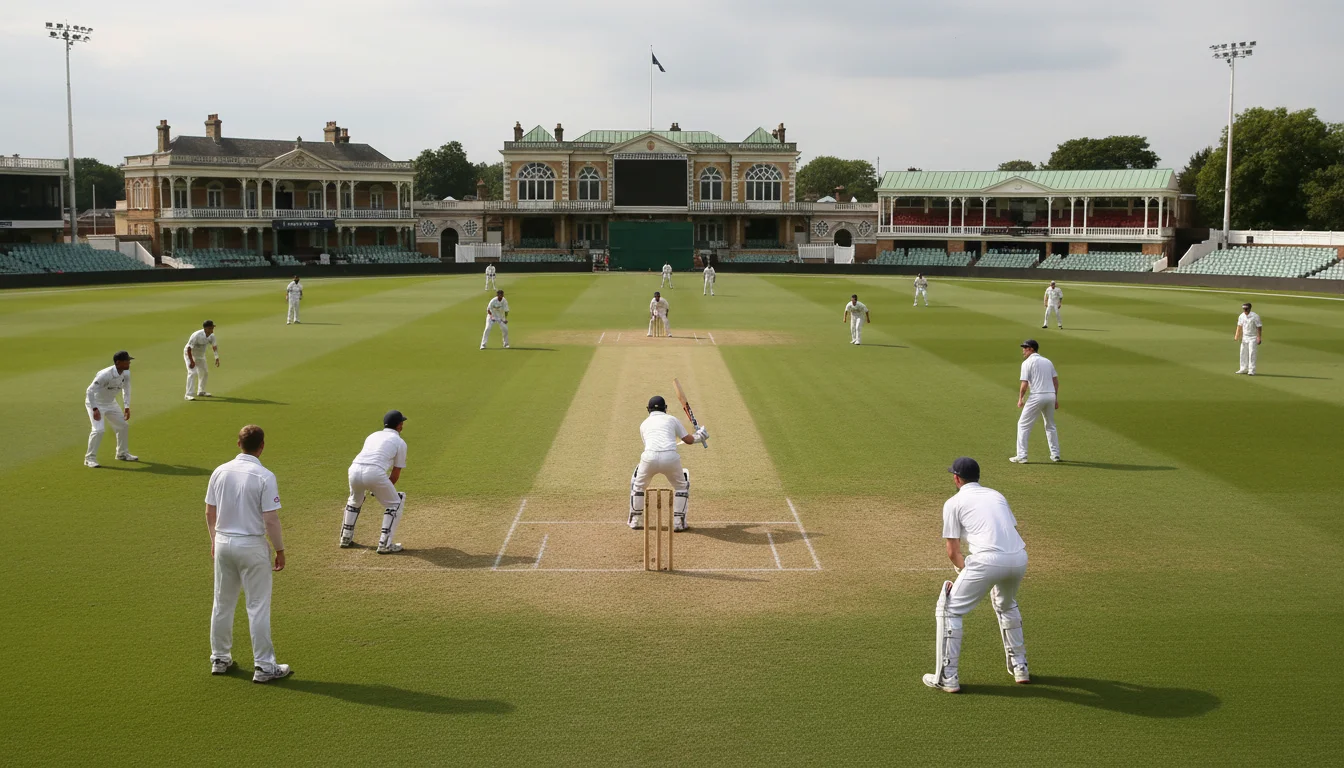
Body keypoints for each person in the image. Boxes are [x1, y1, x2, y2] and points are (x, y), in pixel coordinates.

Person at [923, 457, 1030, 693]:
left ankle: (947, 677)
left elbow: (953, 552)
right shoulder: (996, 495)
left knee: (949, 609)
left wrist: (964, 570)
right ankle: (1020, 666)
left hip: (986, 560)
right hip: (1018, 558)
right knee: (1006, 604)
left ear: (956, 478)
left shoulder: (953, 503)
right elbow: (1008, 530)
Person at [206, 424, 292, 683]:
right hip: (252, 546)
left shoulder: (220, 471)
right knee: (257, 606)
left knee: (222, 603)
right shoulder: (265, 476)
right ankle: (264, 666)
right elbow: (271, 520)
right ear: (262, 446)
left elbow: (210, 512)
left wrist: (214, 540)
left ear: (238, 444)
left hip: (223, 542)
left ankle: (220, 658)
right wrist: (280, 550)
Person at [628, 395, 708, 532]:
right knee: (681, 486)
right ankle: (678, 523)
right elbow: (688, 440)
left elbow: (649, 444)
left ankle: (636, 521)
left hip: (649, 457)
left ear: (648, 409)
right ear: (665, 408)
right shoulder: (672, 419)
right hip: (670, 458)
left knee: (638, 486)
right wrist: (700, 437)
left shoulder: (644, 424)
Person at [340, 410, 409, 554]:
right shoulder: (400, 442)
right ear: (399, 425)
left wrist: (376, 489)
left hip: (354, 469)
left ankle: (345, 538)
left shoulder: (373, 435)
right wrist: (378, 490)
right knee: (395, 503)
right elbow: (395, 473)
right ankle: (385, 544)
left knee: (354, 501)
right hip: (374, 472)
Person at [1011, 339, 1060, 464]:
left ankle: (1022, 456)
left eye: (1025, 348)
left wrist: (1020, 398)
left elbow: (1024, 384)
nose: (1023, 351)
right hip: (1050, 395)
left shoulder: (1027, 363)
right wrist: (1055, 398)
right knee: (1050, 425)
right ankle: (1055, 454)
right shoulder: (1048, 361)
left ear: (1031, 349)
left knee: (1023, 425)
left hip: (1037, 396)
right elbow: (1055, 381)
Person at [84, 351, 136, 468]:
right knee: (99, 430)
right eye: (126, 361)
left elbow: (127, 389)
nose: (129, 363)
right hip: (95, 403)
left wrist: (127, 407)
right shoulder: (105, 374)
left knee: (123, 425)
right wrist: (95, 409)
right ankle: (89, 458)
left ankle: (122, 454)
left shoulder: (126, 373)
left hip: (111, 403)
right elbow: (89, 391)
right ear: (118, 362)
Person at [184, 320, 220, 401]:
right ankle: (188, 394)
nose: (212, 330)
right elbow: (189, 348)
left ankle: (201, 391)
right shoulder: (196, 335)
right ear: (206, 328)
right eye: (210, 328)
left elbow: (214, 346)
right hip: (189, 354)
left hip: (200, 356)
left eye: (213, 328)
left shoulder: (212, 336)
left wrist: (216, 357)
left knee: (205, 372)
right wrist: (191, 361)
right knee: (192, 372)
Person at [1234, 302, 1263, 375]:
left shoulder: (1255, 316)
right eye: (1244, 309)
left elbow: (1259, 327)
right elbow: (1239, 326)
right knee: (1243, 353)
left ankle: (1252, 370)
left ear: (1250, 309)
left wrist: (1259, 337)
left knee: (1252, 353)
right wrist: (1237, 335)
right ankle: (1243, 368)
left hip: (1253, 337)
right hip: (1244, 337)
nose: (1245, 310)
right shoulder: (1241, 316)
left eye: (1246, 309)